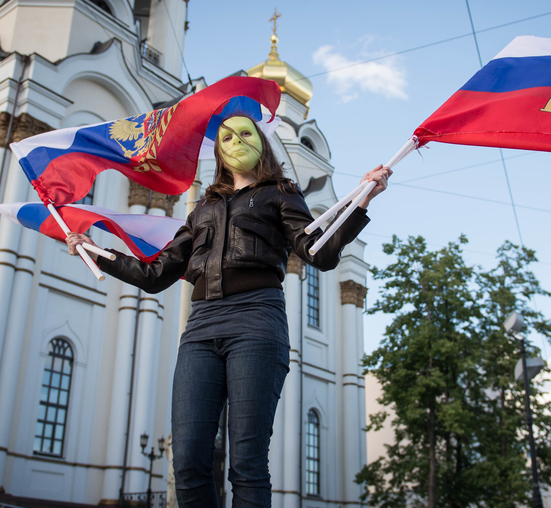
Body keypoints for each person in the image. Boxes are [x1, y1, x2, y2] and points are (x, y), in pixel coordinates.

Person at [66, 115, 391, 507]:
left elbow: (317, 253)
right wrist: (97, 253)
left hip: (257, 319)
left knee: (247, 462)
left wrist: (362, 199)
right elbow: (156, 274)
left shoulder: (279, 193)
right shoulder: (202, 208)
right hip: (201, 327)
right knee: (186, 459)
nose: (235, 140)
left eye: (245, 134)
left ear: (260, 144)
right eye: (226, 136)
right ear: (218, 150)